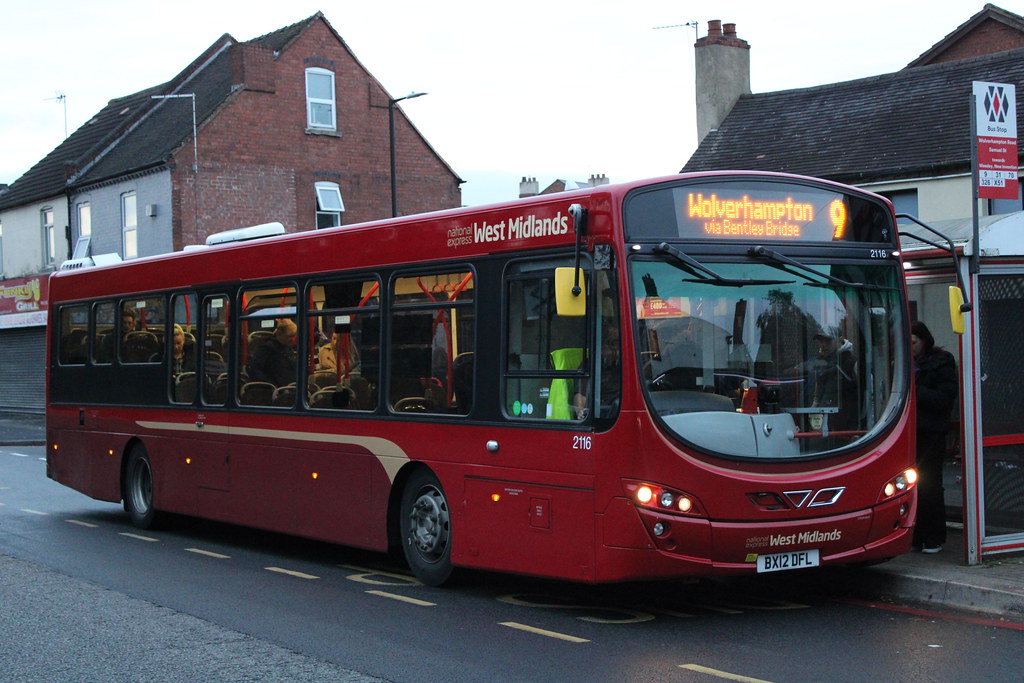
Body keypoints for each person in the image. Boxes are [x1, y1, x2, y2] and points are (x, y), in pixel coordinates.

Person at [911, 320, 958, 553]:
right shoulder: (906, 364)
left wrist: (917, 391)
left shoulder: (942, 362)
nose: (911, 347)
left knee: (930, 484)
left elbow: (945, 399)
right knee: (912, 485)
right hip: (910, 433)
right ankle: (916, 535)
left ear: (924, 340)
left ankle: (934, 536)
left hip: (931, 431)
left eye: (914, 342)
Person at [246, 319, 297, 386]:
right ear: (279, 334)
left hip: (289, 387)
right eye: (289, 336)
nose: (292, 340)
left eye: (294, 336)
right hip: (275, 390)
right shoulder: (267, 349)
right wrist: (269, 384)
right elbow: (252, 368)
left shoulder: (288, 349)